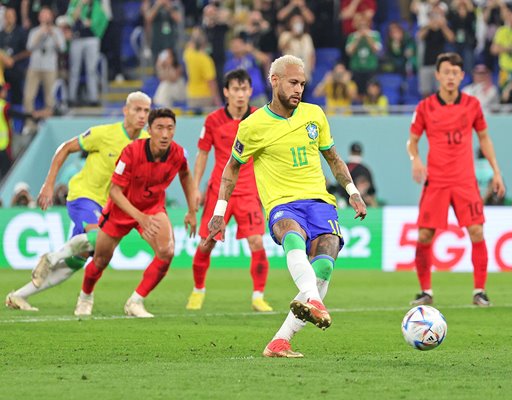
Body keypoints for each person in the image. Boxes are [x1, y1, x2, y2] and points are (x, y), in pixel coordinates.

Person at [205, 55, 367, 357]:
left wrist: (352, 191)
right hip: (282, 203)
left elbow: (333, 157)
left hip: (320, 202)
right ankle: (312, 299)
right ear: (274, 80)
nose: (299, 89)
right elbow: (231, 169)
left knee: (324, 266)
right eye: (293, 82)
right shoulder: (252, 126)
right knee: (292, 235)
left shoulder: (315, 115)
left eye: (303, 84)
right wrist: (218, 212)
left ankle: (280, 340)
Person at [4, 92, 151, 312]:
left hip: (109, 206)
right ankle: (52, 259)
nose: (141, 115)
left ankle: (18, 296)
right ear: (125, 111)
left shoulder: (146, 142)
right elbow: (65, 148)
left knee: (79, 258)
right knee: (96, 237)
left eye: (146, 111)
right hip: (84, 195)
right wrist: (49, 184)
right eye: (137, 109)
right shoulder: (104, 134)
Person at [73, 108, 196, 317]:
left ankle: (136, 301)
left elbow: (185, 174)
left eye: (170, 128)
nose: (165, 134)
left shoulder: (177, 153)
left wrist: (192, 210)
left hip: (152, 207)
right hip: (122, 208)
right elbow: (114, 190)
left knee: (166, 252)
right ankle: (85, 296)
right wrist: (140, 218)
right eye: (159, 128)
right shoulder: (131, 152)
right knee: (101, 259)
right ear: (149, 130)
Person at [407, 52, 505, 307]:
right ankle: (425, 291)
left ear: (462, 76)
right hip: (436, 180)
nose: (450, 77)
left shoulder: (472, 105)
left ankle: (479, 291)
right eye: (446, 72)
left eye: (455, 73)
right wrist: (415, 159)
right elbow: (412, 142)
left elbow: (484, 138)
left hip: (464, 180)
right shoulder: (425, 107)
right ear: (438, 75)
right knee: (425, 235)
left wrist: (496, 170)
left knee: (476, 230)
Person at [186, 69, 272, 312]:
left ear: (250, 92)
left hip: (248, 191)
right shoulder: (212, 120)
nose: (240, 94)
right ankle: (198, 290)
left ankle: (258, 296)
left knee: (256, 242)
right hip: (219, 192)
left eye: (244, 89)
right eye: (235, 89)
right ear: (226, 92)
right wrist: (195, 187)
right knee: (207, 242)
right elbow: (202, 154)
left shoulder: (259, 118)